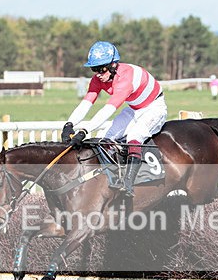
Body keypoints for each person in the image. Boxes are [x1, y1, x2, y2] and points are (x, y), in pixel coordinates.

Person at [61, 41, 167, 197]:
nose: (98, 74)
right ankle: (110, 177)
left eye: (101, 69)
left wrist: (84, 130)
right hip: (134, 108)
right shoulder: (98, 79)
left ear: (113, 65)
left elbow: (108, 109)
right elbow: (87, 102)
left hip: (154, 108)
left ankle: (129, 183)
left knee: (134, 136)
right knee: (107, 138)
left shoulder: (125, 78)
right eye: (94, 69)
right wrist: (69, 124)